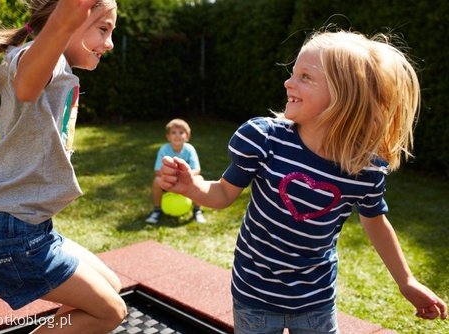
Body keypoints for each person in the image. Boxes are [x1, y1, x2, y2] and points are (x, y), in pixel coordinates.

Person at [159, 30, 447, 333]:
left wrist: (406, 281)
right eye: (292, 73)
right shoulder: (263, 140)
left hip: (315, 301)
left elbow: (376, 222)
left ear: (343, 96)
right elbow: (222, 194)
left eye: (305, 77)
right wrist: (192, 187)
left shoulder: (364, 170)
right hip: (254, 295)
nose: (288, 82)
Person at [0, 1, 127, 333]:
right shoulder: (40, 59)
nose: (110, 42)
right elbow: (27, 84)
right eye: (103, 29)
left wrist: (63, 25)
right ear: (71, 19)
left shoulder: (55, 66)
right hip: (10, 234)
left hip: (30, 229)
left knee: (109, 286)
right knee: (110, 312)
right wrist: (61, 22)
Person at [146, 118, 206, 224]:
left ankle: (197, 210)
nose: (177, 135)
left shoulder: (190, 149)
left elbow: (197, 169)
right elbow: (157, 170)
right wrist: (172, 176)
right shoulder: (164, 149)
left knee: (200, 179)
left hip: (186, 180)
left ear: (187, 136)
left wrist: (184, 176)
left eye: (181, 132)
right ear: (168, 137)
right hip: (168, 181)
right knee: (156, 181)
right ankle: (157, 210)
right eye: (173, 132)